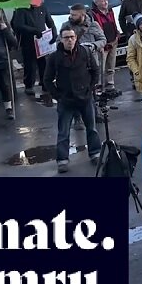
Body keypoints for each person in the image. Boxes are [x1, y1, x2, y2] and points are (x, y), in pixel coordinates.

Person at [42, 25, 102, 174]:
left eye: (72, 37)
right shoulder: (54, 57)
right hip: (66, 100)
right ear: (61, 40)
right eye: (66, 37)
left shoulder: (85, 52)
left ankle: (95, 153)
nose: (69, 40)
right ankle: (62, 159)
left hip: (85, 98)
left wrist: (90, 89)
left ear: (76, 38)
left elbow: (95, 71)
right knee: (63, 132)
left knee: (92, 128)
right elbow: (47, 80)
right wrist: (58, 96)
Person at [11, 0, 57, 98]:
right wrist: (33, 30)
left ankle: (45, 84)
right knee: (30, 65)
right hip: (28, 40)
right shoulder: (22, 9)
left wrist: (54, 31)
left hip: (42, 40)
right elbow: (18, 25)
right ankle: (29, 85)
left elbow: (49, 21)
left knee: (44, 64)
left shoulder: (42, 8)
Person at [89, 0, 121, 91]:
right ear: (96, 3)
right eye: (103, 1)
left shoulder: (110, 10)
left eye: (106, 0)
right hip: (101, 44)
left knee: (111, 65)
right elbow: (93, 30)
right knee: (100, 67)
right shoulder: (92, 14)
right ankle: (98, 85)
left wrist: (116, 35)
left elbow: (114, 23)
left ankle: (110, 83)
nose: (106, 2)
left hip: (113, 41)